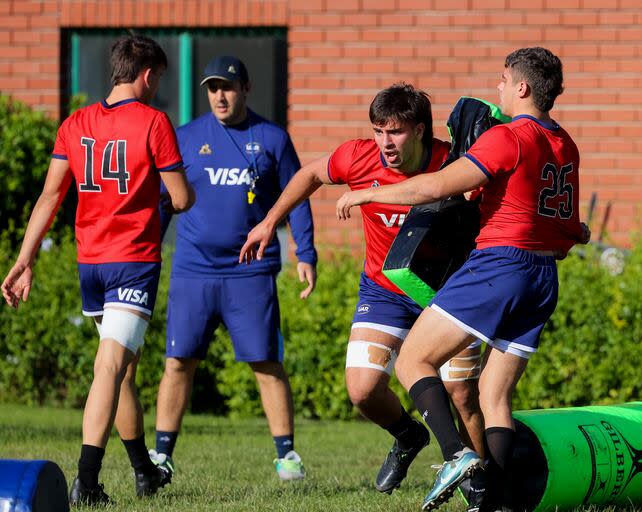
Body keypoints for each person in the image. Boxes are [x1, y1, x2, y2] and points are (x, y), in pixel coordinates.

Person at [335, 47, 591, 511]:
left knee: (413, 360)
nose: (497, 88)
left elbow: (432, 186)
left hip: (499, 267)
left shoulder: (510, 136)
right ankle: (499, 502)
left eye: (502, 80)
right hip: (542, 278)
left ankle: (455, 455)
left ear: (522, 87)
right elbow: (569, 229)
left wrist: (365, 196)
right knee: (494, 394)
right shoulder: (565, 143)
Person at [239, 83, 485, 499]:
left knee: (462, 395)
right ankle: (409, 436)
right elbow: (311, 174)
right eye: (378, 131)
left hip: (448, 293)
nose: (385, 142)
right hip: (385, 290)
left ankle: (482, 488)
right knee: (362, 389)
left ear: (421, 130)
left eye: (397, 132)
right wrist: (269, 222)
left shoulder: (452, 161)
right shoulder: (358, 156)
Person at [1, 35, 194, 506]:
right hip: (132, 262)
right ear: (148, 74)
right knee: (110, 367)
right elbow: (183, 198)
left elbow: (50, 196)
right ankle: (86, 481)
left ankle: (144, 472)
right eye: (160, 79)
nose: (158, 88)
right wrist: (160, 195)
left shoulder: (75, 123)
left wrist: (24, 260)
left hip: (90, 264)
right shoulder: (154, 121)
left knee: (122, 370)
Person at [150, 55, 317, 482]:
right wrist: (147, 248)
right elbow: (165, 201)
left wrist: (306, 254)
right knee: (178, 360)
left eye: (227, 87)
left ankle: (287, 457)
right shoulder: (185, 138)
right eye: (212, 88)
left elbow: (294, 197)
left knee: (265, 361)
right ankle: (162, 455)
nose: (219, 95)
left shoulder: (272, 138)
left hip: (251, 271)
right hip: (194, 270)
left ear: (245, 88)